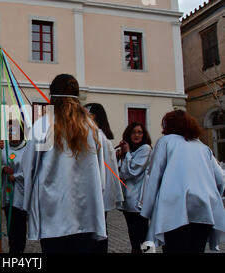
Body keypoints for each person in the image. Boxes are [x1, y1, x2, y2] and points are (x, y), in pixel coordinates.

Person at [21, 74, 106, 253]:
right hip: (85, 212)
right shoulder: (91, 128)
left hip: (53, 211)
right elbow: (100, 173)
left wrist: (28, 203)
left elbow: (29, 168)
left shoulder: (44, 126)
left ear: (52, 96)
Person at [141, 110, 225, 253]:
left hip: (174, 209)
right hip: (203, 208)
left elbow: (154, 176)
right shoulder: (203, 147)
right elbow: (221, 178)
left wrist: (147, 209)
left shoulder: (165, 142)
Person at [85, 103, 124, 253]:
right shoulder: (101, 137)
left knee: (96, 232)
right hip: (100, 190)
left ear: (92, 116)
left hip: (97, 191)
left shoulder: (96, 136)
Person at [116, 121, 152, 253]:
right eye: (133, 132)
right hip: (128, 200)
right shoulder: (131, 151)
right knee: (133, 237)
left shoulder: (145, 149)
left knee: (143, 235)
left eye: (140, 132)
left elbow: (130, 172)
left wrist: (126, 154)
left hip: (138, 201)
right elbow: (120, 172)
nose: (136, 135)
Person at [0, 119, 28, 253]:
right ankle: (12, 251)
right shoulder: (3, 148)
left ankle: (18, 251)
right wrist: (3, 169)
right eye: (9, 131)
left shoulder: (27, 149)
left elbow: (30, 171)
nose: (10, 134)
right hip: (7, 194)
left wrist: (15, 176)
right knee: (10, 226)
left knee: (19, 227)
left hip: (20, 196)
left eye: (13, 131)